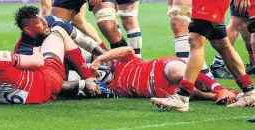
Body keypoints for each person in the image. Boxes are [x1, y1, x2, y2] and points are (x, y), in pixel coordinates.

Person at [0, 25, 101, 104]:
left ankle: (80, 80)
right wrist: (36, 51)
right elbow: (38, 62)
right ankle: (89, 77)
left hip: (38, 98)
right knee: (58, 31)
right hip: (50, 80)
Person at [90, 46, 237, 107]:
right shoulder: (112, 89)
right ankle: (216, 96)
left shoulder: (122, 60)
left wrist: (100, 59)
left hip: (159, 68)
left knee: (179, 73)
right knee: (187, 92)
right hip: (160, 90)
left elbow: (127, 49)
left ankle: (219, 89)